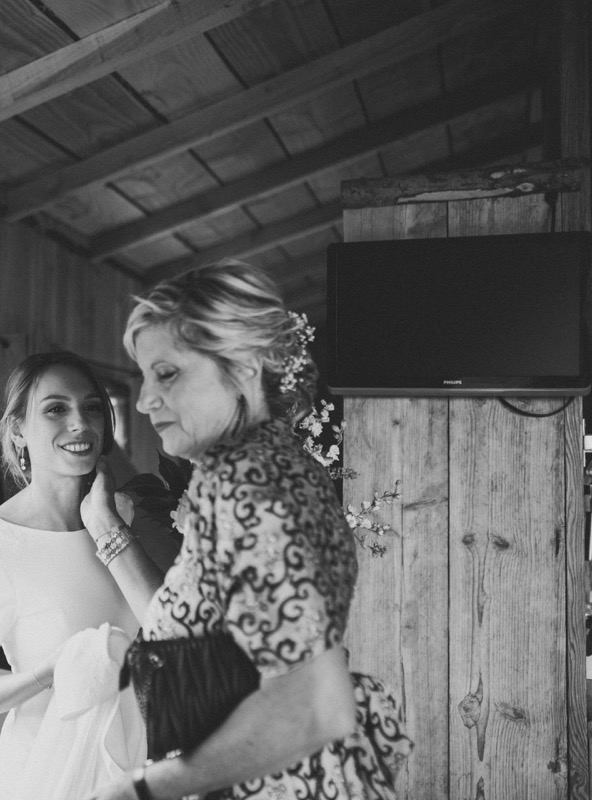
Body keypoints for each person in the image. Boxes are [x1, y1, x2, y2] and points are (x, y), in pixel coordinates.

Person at [80, 260, 412, 800]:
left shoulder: (251, 485)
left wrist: (140, 789)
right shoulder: (259, 467)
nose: (143, 400)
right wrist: (106, 529)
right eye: (143, 377)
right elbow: (202, 634)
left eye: (168, 373)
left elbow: (318, 706)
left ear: (243, 368)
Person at [0, 351, 165, 800]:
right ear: (18, 430)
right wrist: (50, 672)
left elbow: (171, 627)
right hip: (51, 772)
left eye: (92, 407)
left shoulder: (121, 515)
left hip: (142, 758)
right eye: (56, 409)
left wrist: (106, 522)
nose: (79, 423)